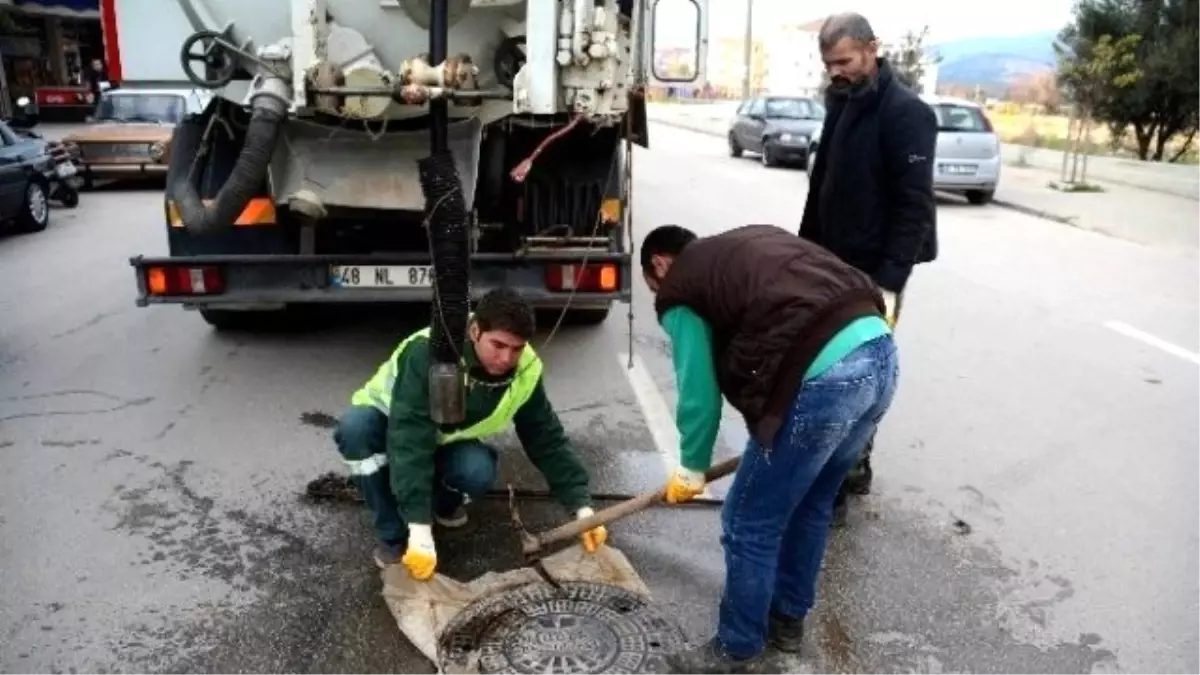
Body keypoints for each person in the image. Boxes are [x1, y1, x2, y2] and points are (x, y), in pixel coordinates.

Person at [640, 224, 900, 673]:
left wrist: (692, 467)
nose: (656, 296)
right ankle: (786, 624)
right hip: (880, 354)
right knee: (813, 503)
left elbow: (698, 389)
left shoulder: (681, 287)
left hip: (826, 378)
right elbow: (763, 352)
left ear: (660, 265)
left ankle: (736, 648)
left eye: (651, 284)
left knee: (747, 521)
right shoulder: (747, 250)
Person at [334, 288, 608, 578]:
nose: (506, 358)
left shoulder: (526, 368)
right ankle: (394, 535)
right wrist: (418, 528)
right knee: (355, 430)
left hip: (444, 440)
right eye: (498, 345)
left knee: (476, 470)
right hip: (391, 424)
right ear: (475, 331)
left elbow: (546, 437)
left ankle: (440, 504)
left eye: (516, 349)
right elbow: (410, 437)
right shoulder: (429, 352)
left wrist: (582, 508)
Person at [799, 12, 937, 508]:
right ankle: (832, 465)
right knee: (826, 363)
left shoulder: (907, 114)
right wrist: (804, 252)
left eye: (844, 61)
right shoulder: (842, 103)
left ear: (871, 49)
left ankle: (847, 472)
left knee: (860, 371)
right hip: (832, 263)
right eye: (829, 63)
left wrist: (888, 282)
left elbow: (913, 206)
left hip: (876, 272)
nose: (836, 71)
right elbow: (823, 186)